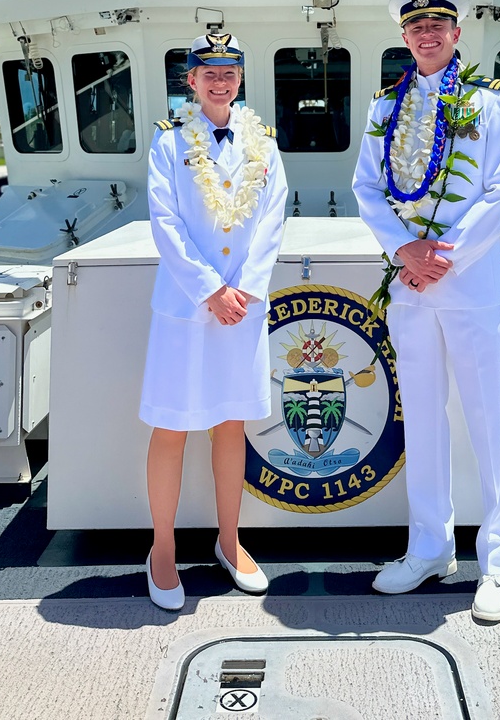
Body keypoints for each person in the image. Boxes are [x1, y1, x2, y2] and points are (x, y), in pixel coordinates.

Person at [351, 0, 500, 623]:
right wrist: (405, 250)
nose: (426, 34)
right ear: (405, 36)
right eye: (416, 25)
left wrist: (443, 253)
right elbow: (367, 187)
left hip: (470, 285)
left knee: (489, 421)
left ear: (457, 33)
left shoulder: (494, 102)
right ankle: (428, 547)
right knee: (422, 418)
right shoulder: (383, 109)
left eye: (438, 25)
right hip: (410, 288)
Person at [140, 32, 287, 611]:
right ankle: (163, 549)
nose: (220, 82)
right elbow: (165, 222)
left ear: (240, 80)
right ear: (191, 82)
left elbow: (273, 220)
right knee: (172, 427)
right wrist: (210, 290)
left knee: (231, 426)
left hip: (241, 311)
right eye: (209, 73)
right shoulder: (168, 144)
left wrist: (243, 290)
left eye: (229, 73)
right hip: (186, 308)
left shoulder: (265, 146)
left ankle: (229, 541)